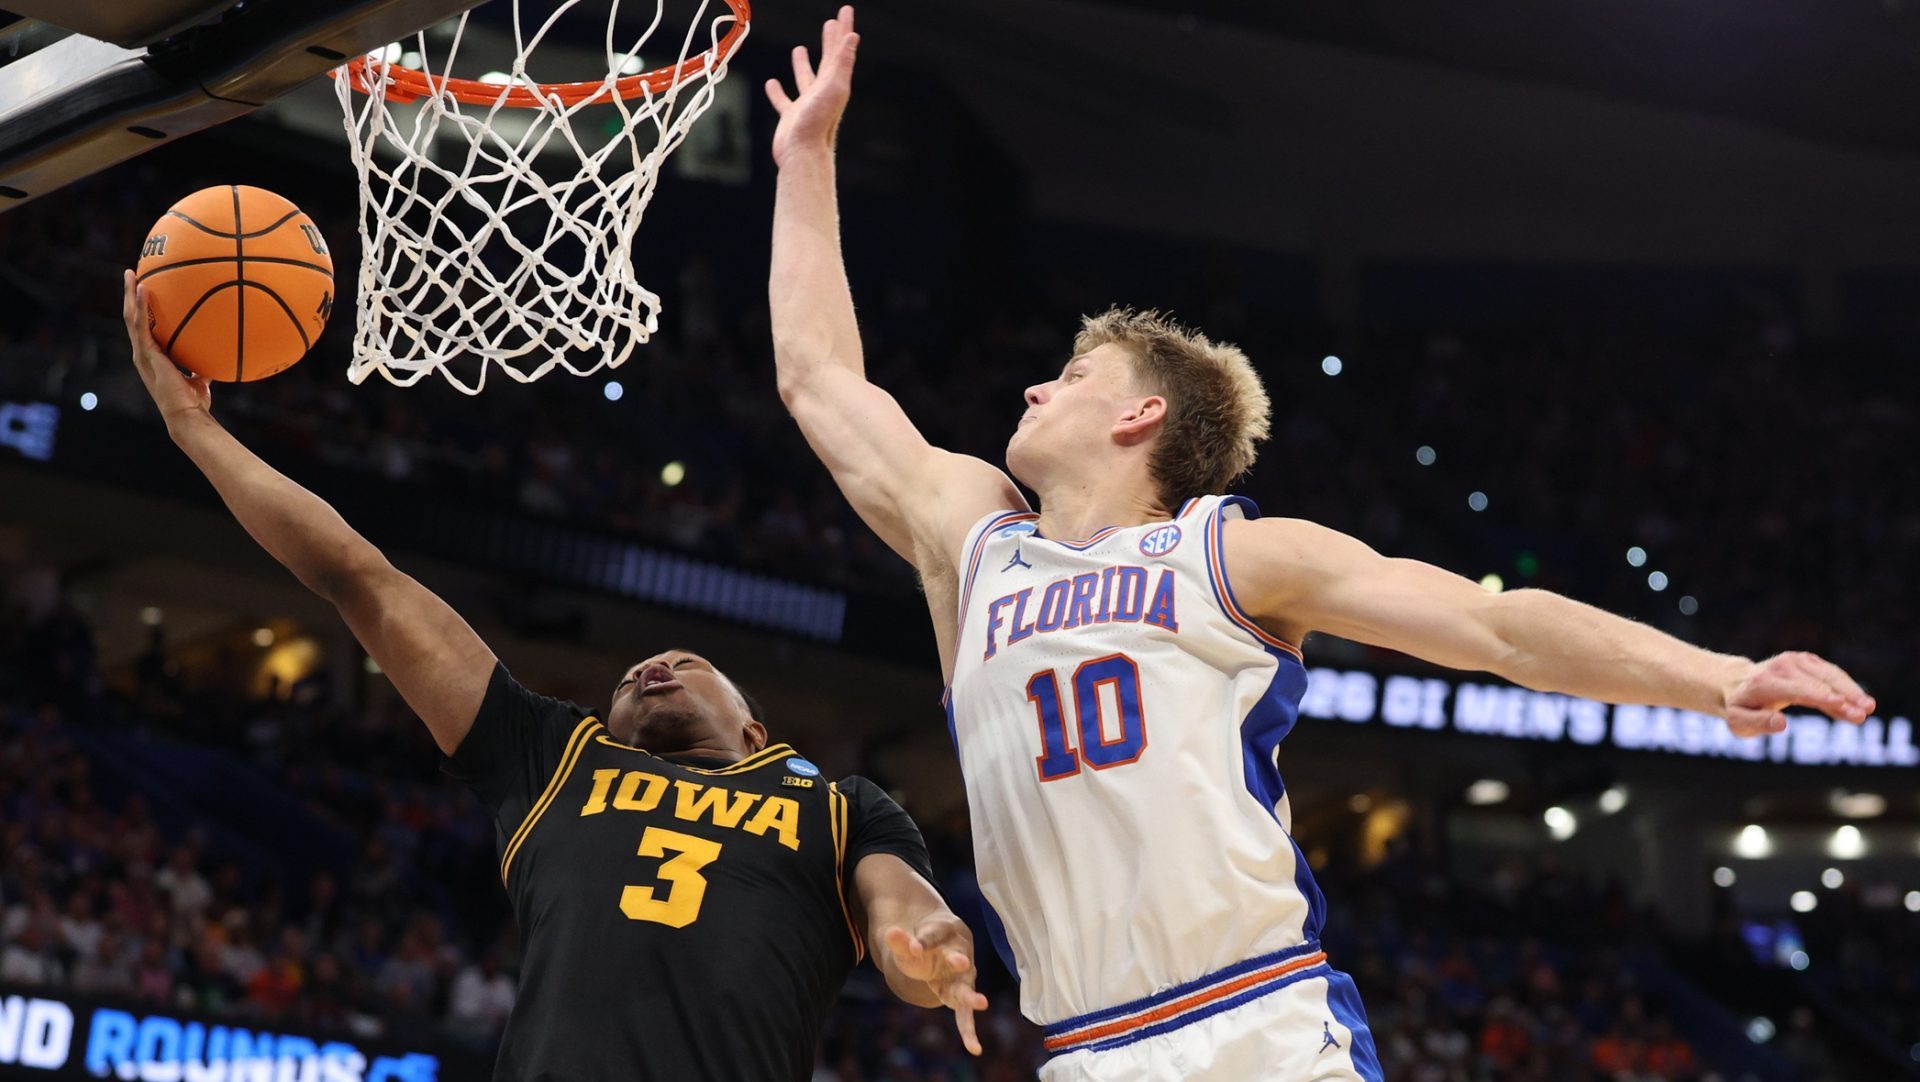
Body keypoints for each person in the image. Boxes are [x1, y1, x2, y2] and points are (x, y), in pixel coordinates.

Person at [763, 11, 1877, 1081]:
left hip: (1257, 1026)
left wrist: (1718, 675)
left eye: (1074, 376)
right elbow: (819, 377)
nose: (1034, 384)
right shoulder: (975, 541)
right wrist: (806, 159)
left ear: (1140, 416)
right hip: (1082, 1046)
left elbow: (1496, 628)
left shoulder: (1231, 556)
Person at [118, 273, 987, 1081]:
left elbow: (900, 910)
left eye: (687, 662)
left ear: (757, 731)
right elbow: (358, 576)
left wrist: (930, 943)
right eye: (632, 676)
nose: (653, 665)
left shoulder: (839, 807)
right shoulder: (551, 758)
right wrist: (193, 429)